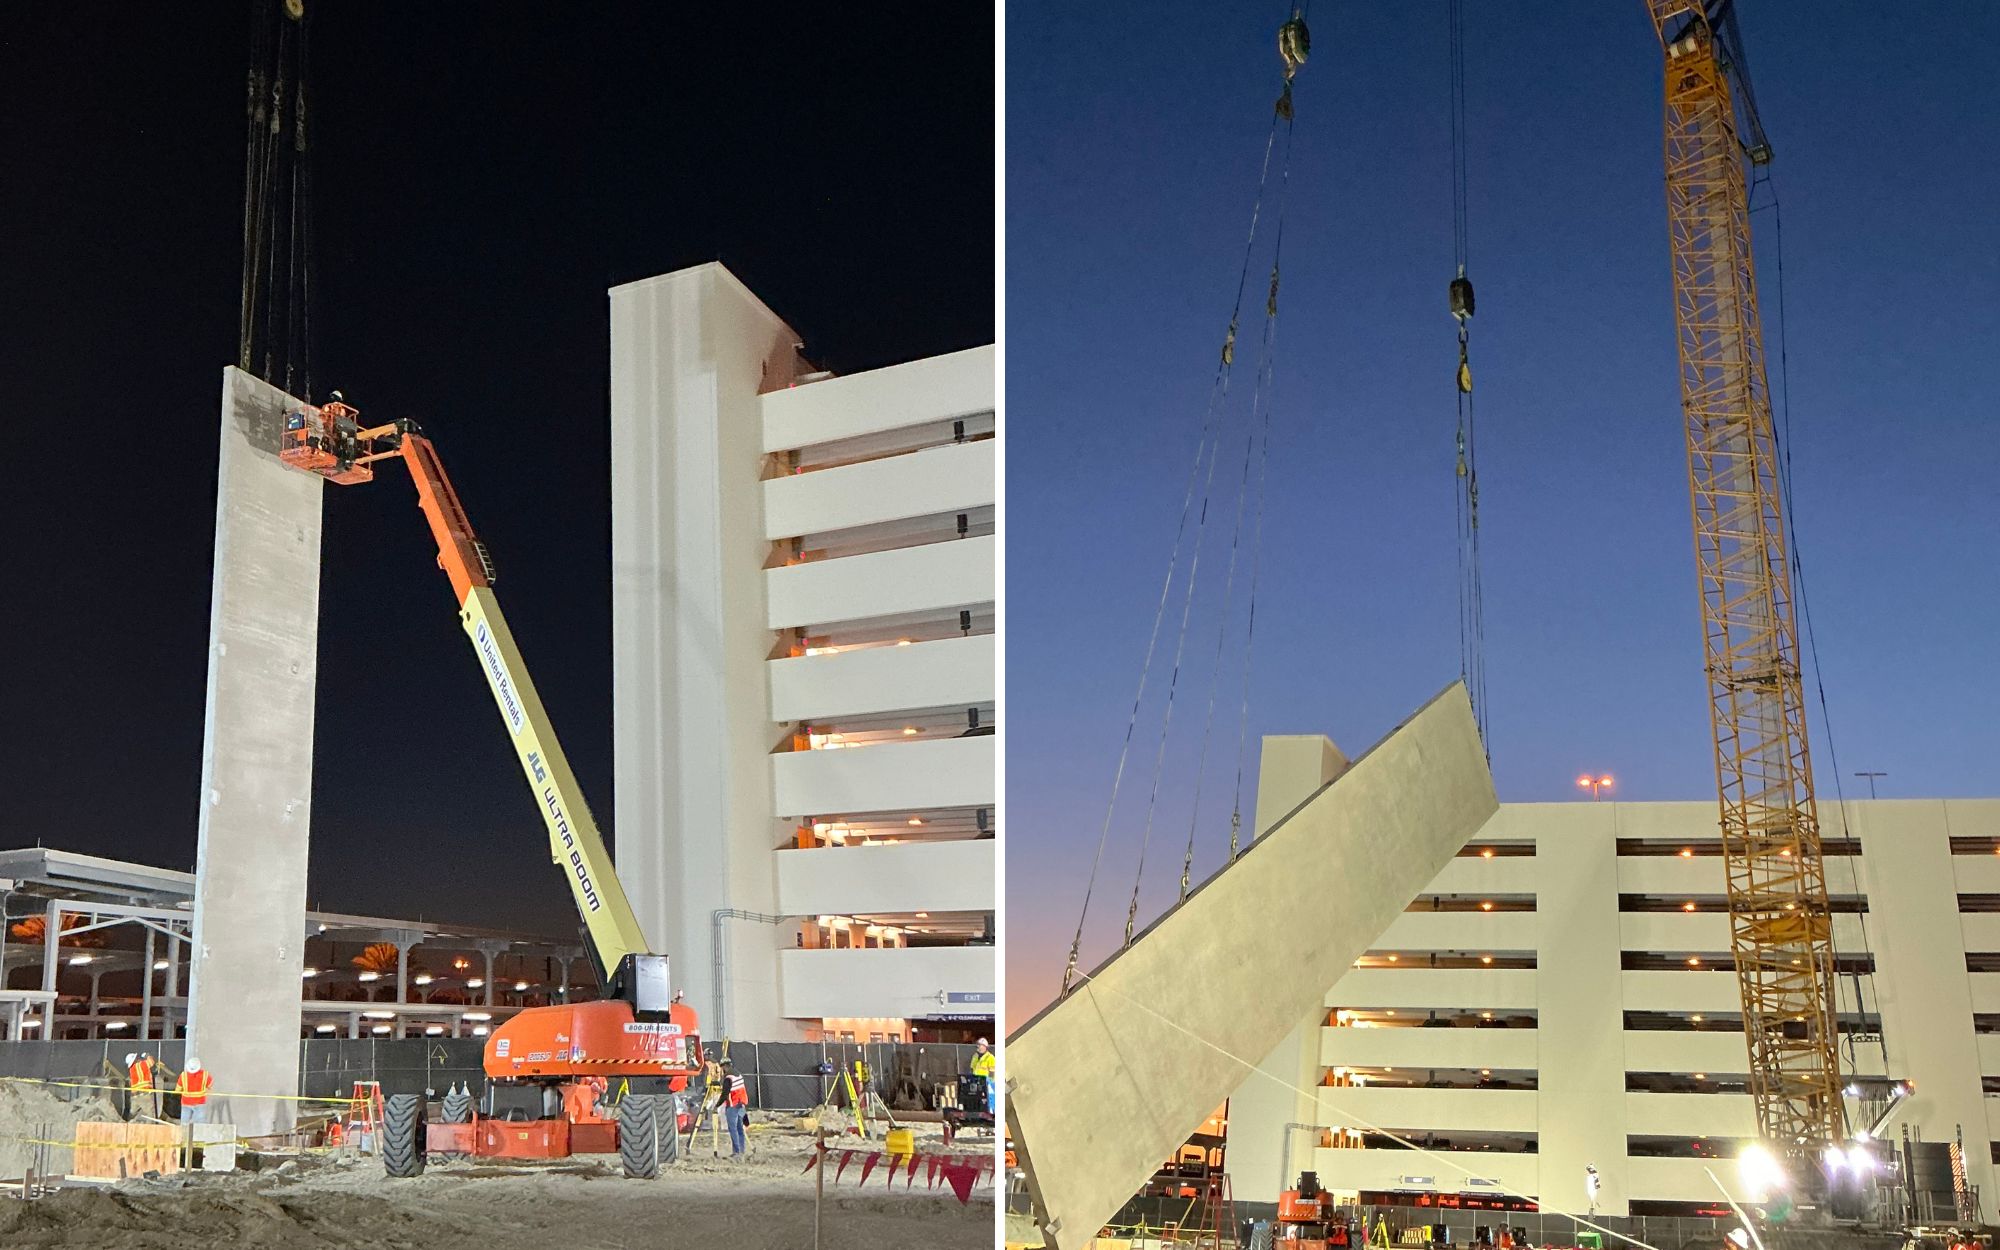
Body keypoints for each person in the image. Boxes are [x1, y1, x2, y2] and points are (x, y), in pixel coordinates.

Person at [723, 1062, 749, 1158]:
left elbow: (724, 1094)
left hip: (733, 1105)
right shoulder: (739, 1075)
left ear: (725, 1067)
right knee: (739, 1128)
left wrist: (717, 1105)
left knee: (733, 1128)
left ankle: (736, 1152)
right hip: (742, 1103)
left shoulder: (728, 1078)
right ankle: (741, 1150)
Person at [176, 1057, 213, 1125]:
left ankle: (184, 1135)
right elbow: (210, 1085)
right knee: (200, 1126)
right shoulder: (205, 1075)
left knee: (184, 1125)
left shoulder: (183, 1075)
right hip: (200, 1102)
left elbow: (177, 1090)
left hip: (186, 1102)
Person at [124, 1051, 159, 1121]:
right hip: (144, 1094)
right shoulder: (140, 1065)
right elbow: (151, 1063)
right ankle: (150, 1129)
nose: (139, 1058)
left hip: (135, 1096)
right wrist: (147, 1055)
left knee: (132, 1113)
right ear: (135, 1059)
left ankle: (126, 1124)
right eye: (137, 1057)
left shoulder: (131, 1069)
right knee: (151, 1114)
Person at [970, 1037, 997, 1115]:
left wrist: (990, 1082)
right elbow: (972, 1068)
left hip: (987, 1081)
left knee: (989, 1098)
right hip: (976, 1081)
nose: (978, 1047)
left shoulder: (990, 1058)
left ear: (985, 1047)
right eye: (978, 1045)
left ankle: (991, 1113)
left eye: (980, 1045)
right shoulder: (975, 1056)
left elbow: (992, 1071)